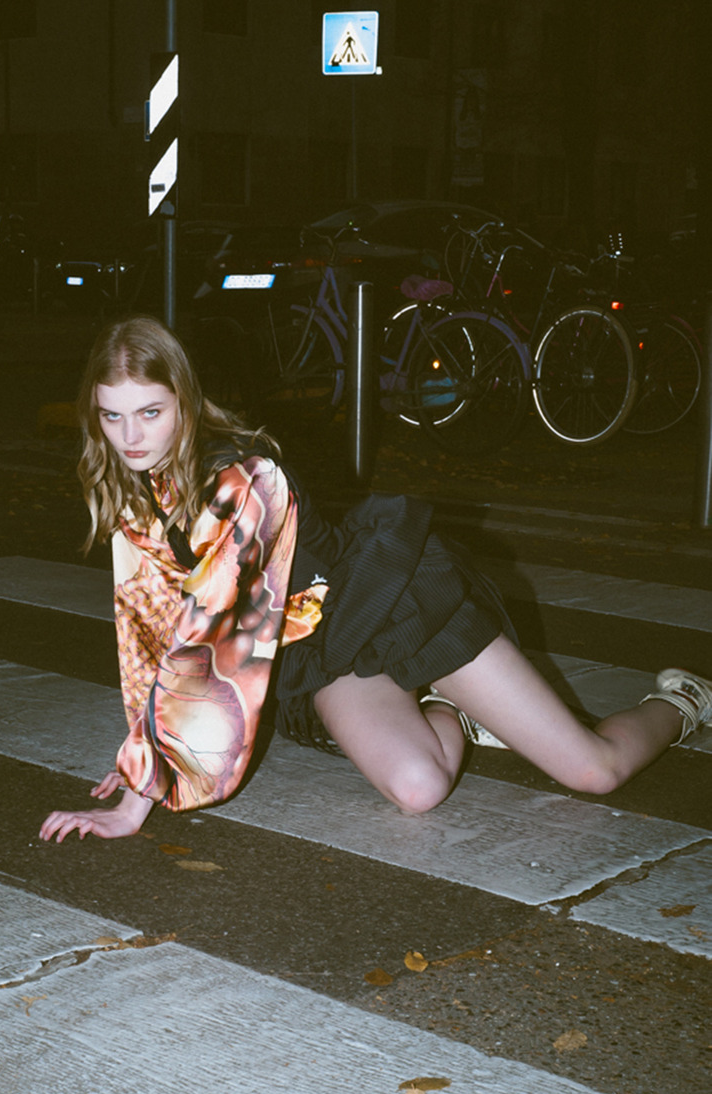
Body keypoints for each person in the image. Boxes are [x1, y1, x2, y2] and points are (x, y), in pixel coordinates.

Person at [40, 315, 712, 844]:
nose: (131, 436)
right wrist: (145, 755)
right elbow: (151, 626)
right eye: (112, 415)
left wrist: (140, 799)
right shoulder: (142, 485)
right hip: (326, 647)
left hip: (394, 603)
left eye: (150, 412)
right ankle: (453, 710)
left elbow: (207, 636)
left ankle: (685, 703)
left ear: (184, 402)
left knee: (594, 771)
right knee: (418, 789)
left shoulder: (241, 479)